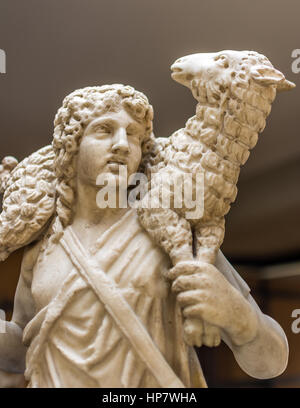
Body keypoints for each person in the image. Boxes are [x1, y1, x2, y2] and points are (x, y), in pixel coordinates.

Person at [0, 85, 288, 387]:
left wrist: (239, 317)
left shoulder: (170, 230)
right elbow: (22, 349)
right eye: (105, 130)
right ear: (72, 145)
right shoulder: (44, 245)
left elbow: (272, 361)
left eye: (135, 135)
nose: (123, 144)